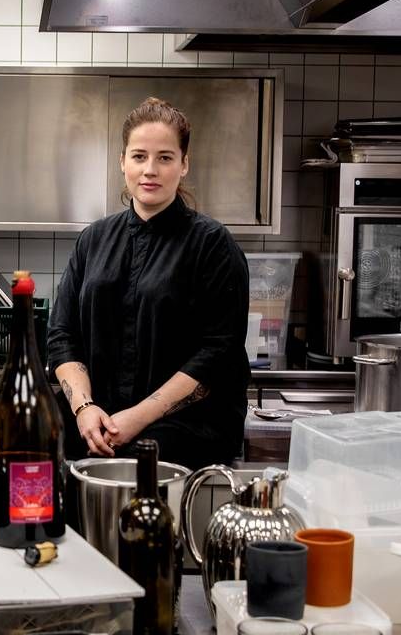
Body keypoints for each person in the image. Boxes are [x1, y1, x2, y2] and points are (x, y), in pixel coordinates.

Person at [47, 97, 249, 470]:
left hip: (186, 425)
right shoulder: (93, 239)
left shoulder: (212, 245)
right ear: (122, 161)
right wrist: (85, 408)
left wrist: (137, 417)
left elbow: (216, 354)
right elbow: (62, 336)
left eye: (165, 157)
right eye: (139, 156)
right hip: (98, 415)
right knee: (31, 438)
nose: (150, 170)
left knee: (139, 457)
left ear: (184, 165)